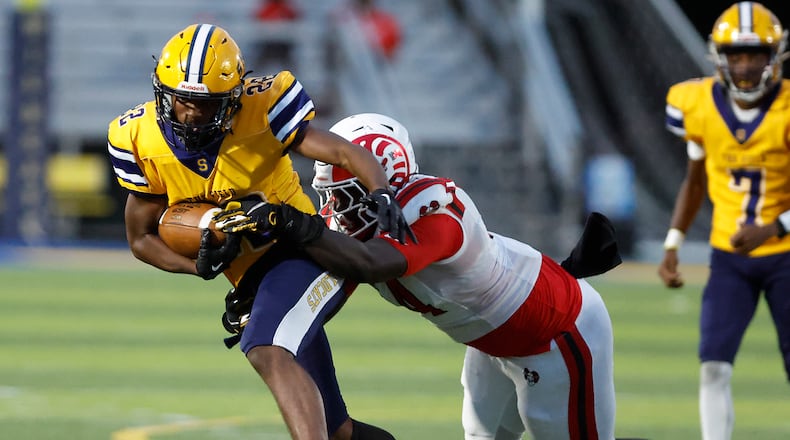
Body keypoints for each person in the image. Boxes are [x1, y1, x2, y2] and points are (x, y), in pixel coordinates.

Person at [214, 113, 621, 439]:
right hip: (490, 341)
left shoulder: (434, 211)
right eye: (331, 194)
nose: (334, 206)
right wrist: (261, 296)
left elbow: (369, 263)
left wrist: (296, 226)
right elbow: (321, 285)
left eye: (344, 194)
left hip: (554, 331)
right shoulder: (360, 225)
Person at [106, 24, 408, 440]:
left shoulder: (263, 107)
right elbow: (141, 239)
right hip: (253, 277)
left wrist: (380, 190)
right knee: (340, 431)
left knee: (266, 347)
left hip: (307, 250)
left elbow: (342, 150)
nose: (191, 113)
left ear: (233, 98)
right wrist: (200, 266)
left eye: (206, 104)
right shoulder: (139, 138)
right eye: (182, 100)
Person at [658, 3, 790, 439]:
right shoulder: (695, 104)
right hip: (729, 259)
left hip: (786, 256)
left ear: (775, 56)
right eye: (737, 54)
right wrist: (673, 241)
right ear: (719, 57)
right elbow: (695, 180)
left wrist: (772, 228)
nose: (746, 65)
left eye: (755, 54)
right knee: (713, 365)